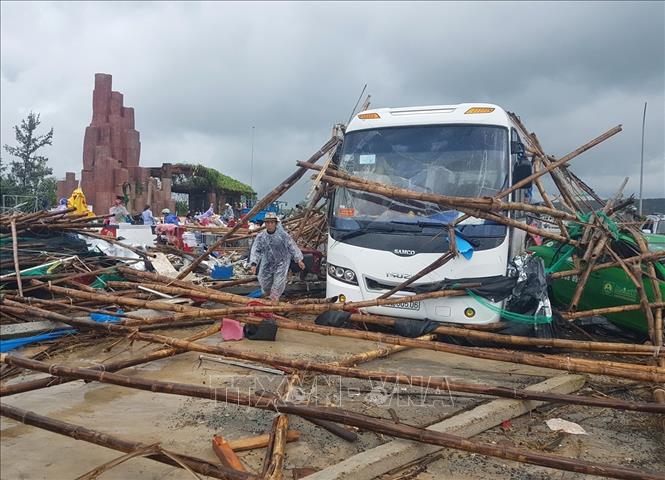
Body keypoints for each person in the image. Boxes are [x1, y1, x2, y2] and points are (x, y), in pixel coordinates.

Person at [249, 212, 305, 302]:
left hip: (281, 262)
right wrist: (253, 264)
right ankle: (268, 297)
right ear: (265, 223)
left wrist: (299, 259)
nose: (270, 224)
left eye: (272, 222)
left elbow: (292, 246)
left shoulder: (283, 235)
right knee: (265, 283)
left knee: (277, 284)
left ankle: (274, 302)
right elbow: (256, 250)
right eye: (268, 222)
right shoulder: (261, 237)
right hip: (267, 262)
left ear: (275, 223)